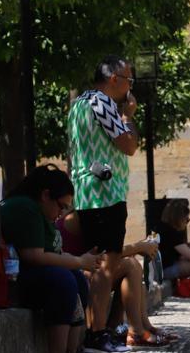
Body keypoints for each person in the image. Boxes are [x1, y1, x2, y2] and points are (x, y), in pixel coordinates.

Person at [67, 55, 145, 352]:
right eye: (128, 79)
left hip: (88, 192)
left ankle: (97, 330)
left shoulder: (79, 105)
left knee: (99, 266)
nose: (130, 86)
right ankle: (97, 334)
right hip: (105, 193)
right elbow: (128, 145)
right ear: (114, 79)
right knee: (105, 267)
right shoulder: (103, 103)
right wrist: (129, 116)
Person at [1, 164, 102, 353]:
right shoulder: (25, 207)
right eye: (61, 206)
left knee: (78, 279)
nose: (62, 214)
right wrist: (80, 262)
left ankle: (74, 349)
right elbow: (34, 256)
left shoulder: (41, 213)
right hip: (12, 281)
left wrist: (82, 261)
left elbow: (55, 253)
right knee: (63, 281)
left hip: (29, 275)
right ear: (46, 195)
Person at [58, 209, 179, 347]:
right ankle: (136, 332)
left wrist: (139, 247)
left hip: (86, 270)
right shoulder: (90, 215)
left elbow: (108, 253)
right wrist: (139, 247)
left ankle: (143, 327)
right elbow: (105, 255)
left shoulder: (93, 214)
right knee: (131, 265)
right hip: (79, 273)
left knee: (131, 265)